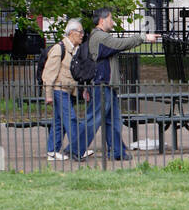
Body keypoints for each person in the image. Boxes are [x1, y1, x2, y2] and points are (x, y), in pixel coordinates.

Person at [83, 9, 161, 161]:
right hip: (101, 84)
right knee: (93, 120)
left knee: (114, 121)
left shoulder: (101, 37)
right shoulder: (100, 36)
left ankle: (117, 152)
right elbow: (120, 44)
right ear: (102, 20)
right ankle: (74, 149)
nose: (113, 22)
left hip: (107, 85)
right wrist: (143, 37)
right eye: (111, 19)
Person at [42, 19, 93, 162]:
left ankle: (52, 151)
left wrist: (82, 90)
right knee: (70, 119)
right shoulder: (59, 48)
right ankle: (78, 149)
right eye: (80, 32)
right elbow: (49, 73)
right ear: (71, 33)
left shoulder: (75, 49)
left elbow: (75, 73)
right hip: (59, 90)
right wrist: (48, 94)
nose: (82, 35)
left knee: (59, 122)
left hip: (69, 91)